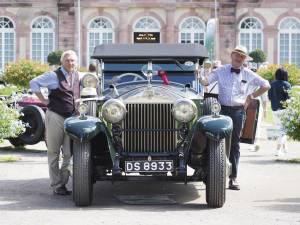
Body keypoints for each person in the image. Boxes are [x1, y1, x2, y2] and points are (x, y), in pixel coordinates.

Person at [199, 45, 270, 190]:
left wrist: (251, 97)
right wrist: (199, 74)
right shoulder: (220, 70)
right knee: (214, 139)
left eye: (242, 56)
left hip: (238, 112)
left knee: (234, 144)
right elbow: (206, 82)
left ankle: (233, 178)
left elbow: (266, 85)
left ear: (244, 59)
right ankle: (209, 173)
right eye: (237, 55)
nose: (239, 58)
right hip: (221, 109)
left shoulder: (248, 73)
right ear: (232, 55)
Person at [30, 50, 80, 195]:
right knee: (53, 152)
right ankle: (57, 185)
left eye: (72, 61)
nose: (70, 63)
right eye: (67, 60)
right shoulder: (53, 75)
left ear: (76, 62)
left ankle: (63, 183)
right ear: (62, 62)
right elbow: (34, 82)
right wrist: (43, 100)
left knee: (69, 153)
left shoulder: (77, 76)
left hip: (71, 118)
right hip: (55, 116)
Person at [268, 68, 291, 156]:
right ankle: (278, 150)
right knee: (283, 130)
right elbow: (289, 98)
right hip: (284, 110)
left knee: (280, 128)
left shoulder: (272, 84)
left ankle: (285, 148)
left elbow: (269, 97)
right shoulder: (287, 84)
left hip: (274, 109)